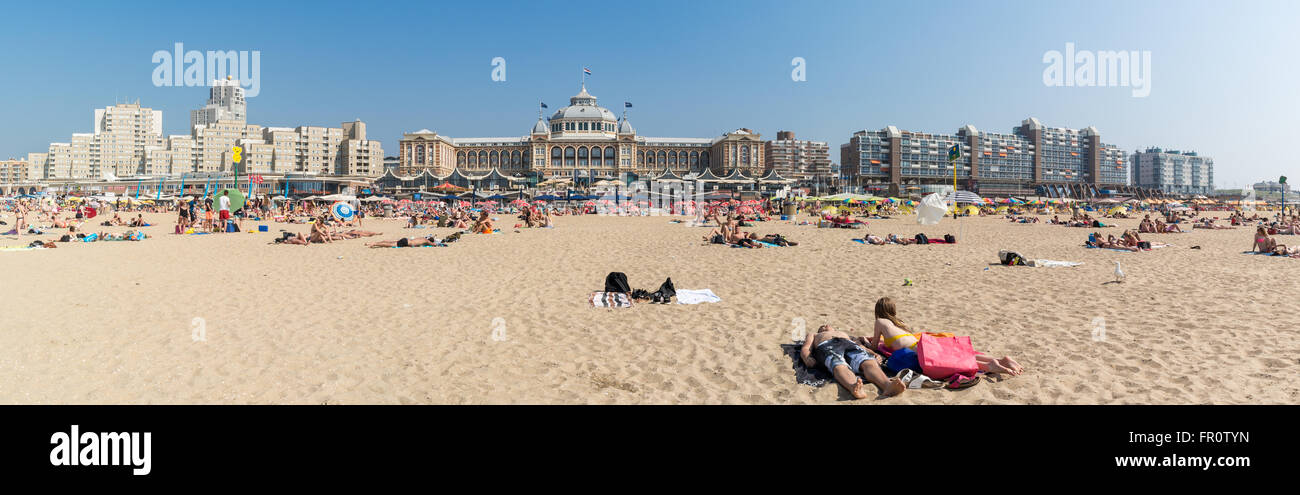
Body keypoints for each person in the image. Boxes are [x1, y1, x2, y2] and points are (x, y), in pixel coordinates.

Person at [869, 297, 1023, 376]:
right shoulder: (897, 323)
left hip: (916, 348)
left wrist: (866, 344)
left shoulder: (880, 321)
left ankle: (989, 366)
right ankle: (1003, 360)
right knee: (959, 354)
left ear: (878, 310)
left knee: (951, 361)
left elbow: (875, 345)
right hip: (921, 343)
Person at [800, 324, 904, 399]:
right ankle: (853, 386)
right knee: (838, 365)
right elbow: (806, 348)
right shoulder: (814, 335)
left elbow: (860, 346)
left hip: (848, 343)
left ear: (833, 328)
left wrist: (874, 354)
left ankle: (886, 385)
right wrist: (807, 358)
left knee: (868, 361)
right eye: (821, 327)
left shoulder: (843, 333)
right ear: (819, 331)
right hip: (828, 345)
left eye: (827, 325)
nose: (825, 326)